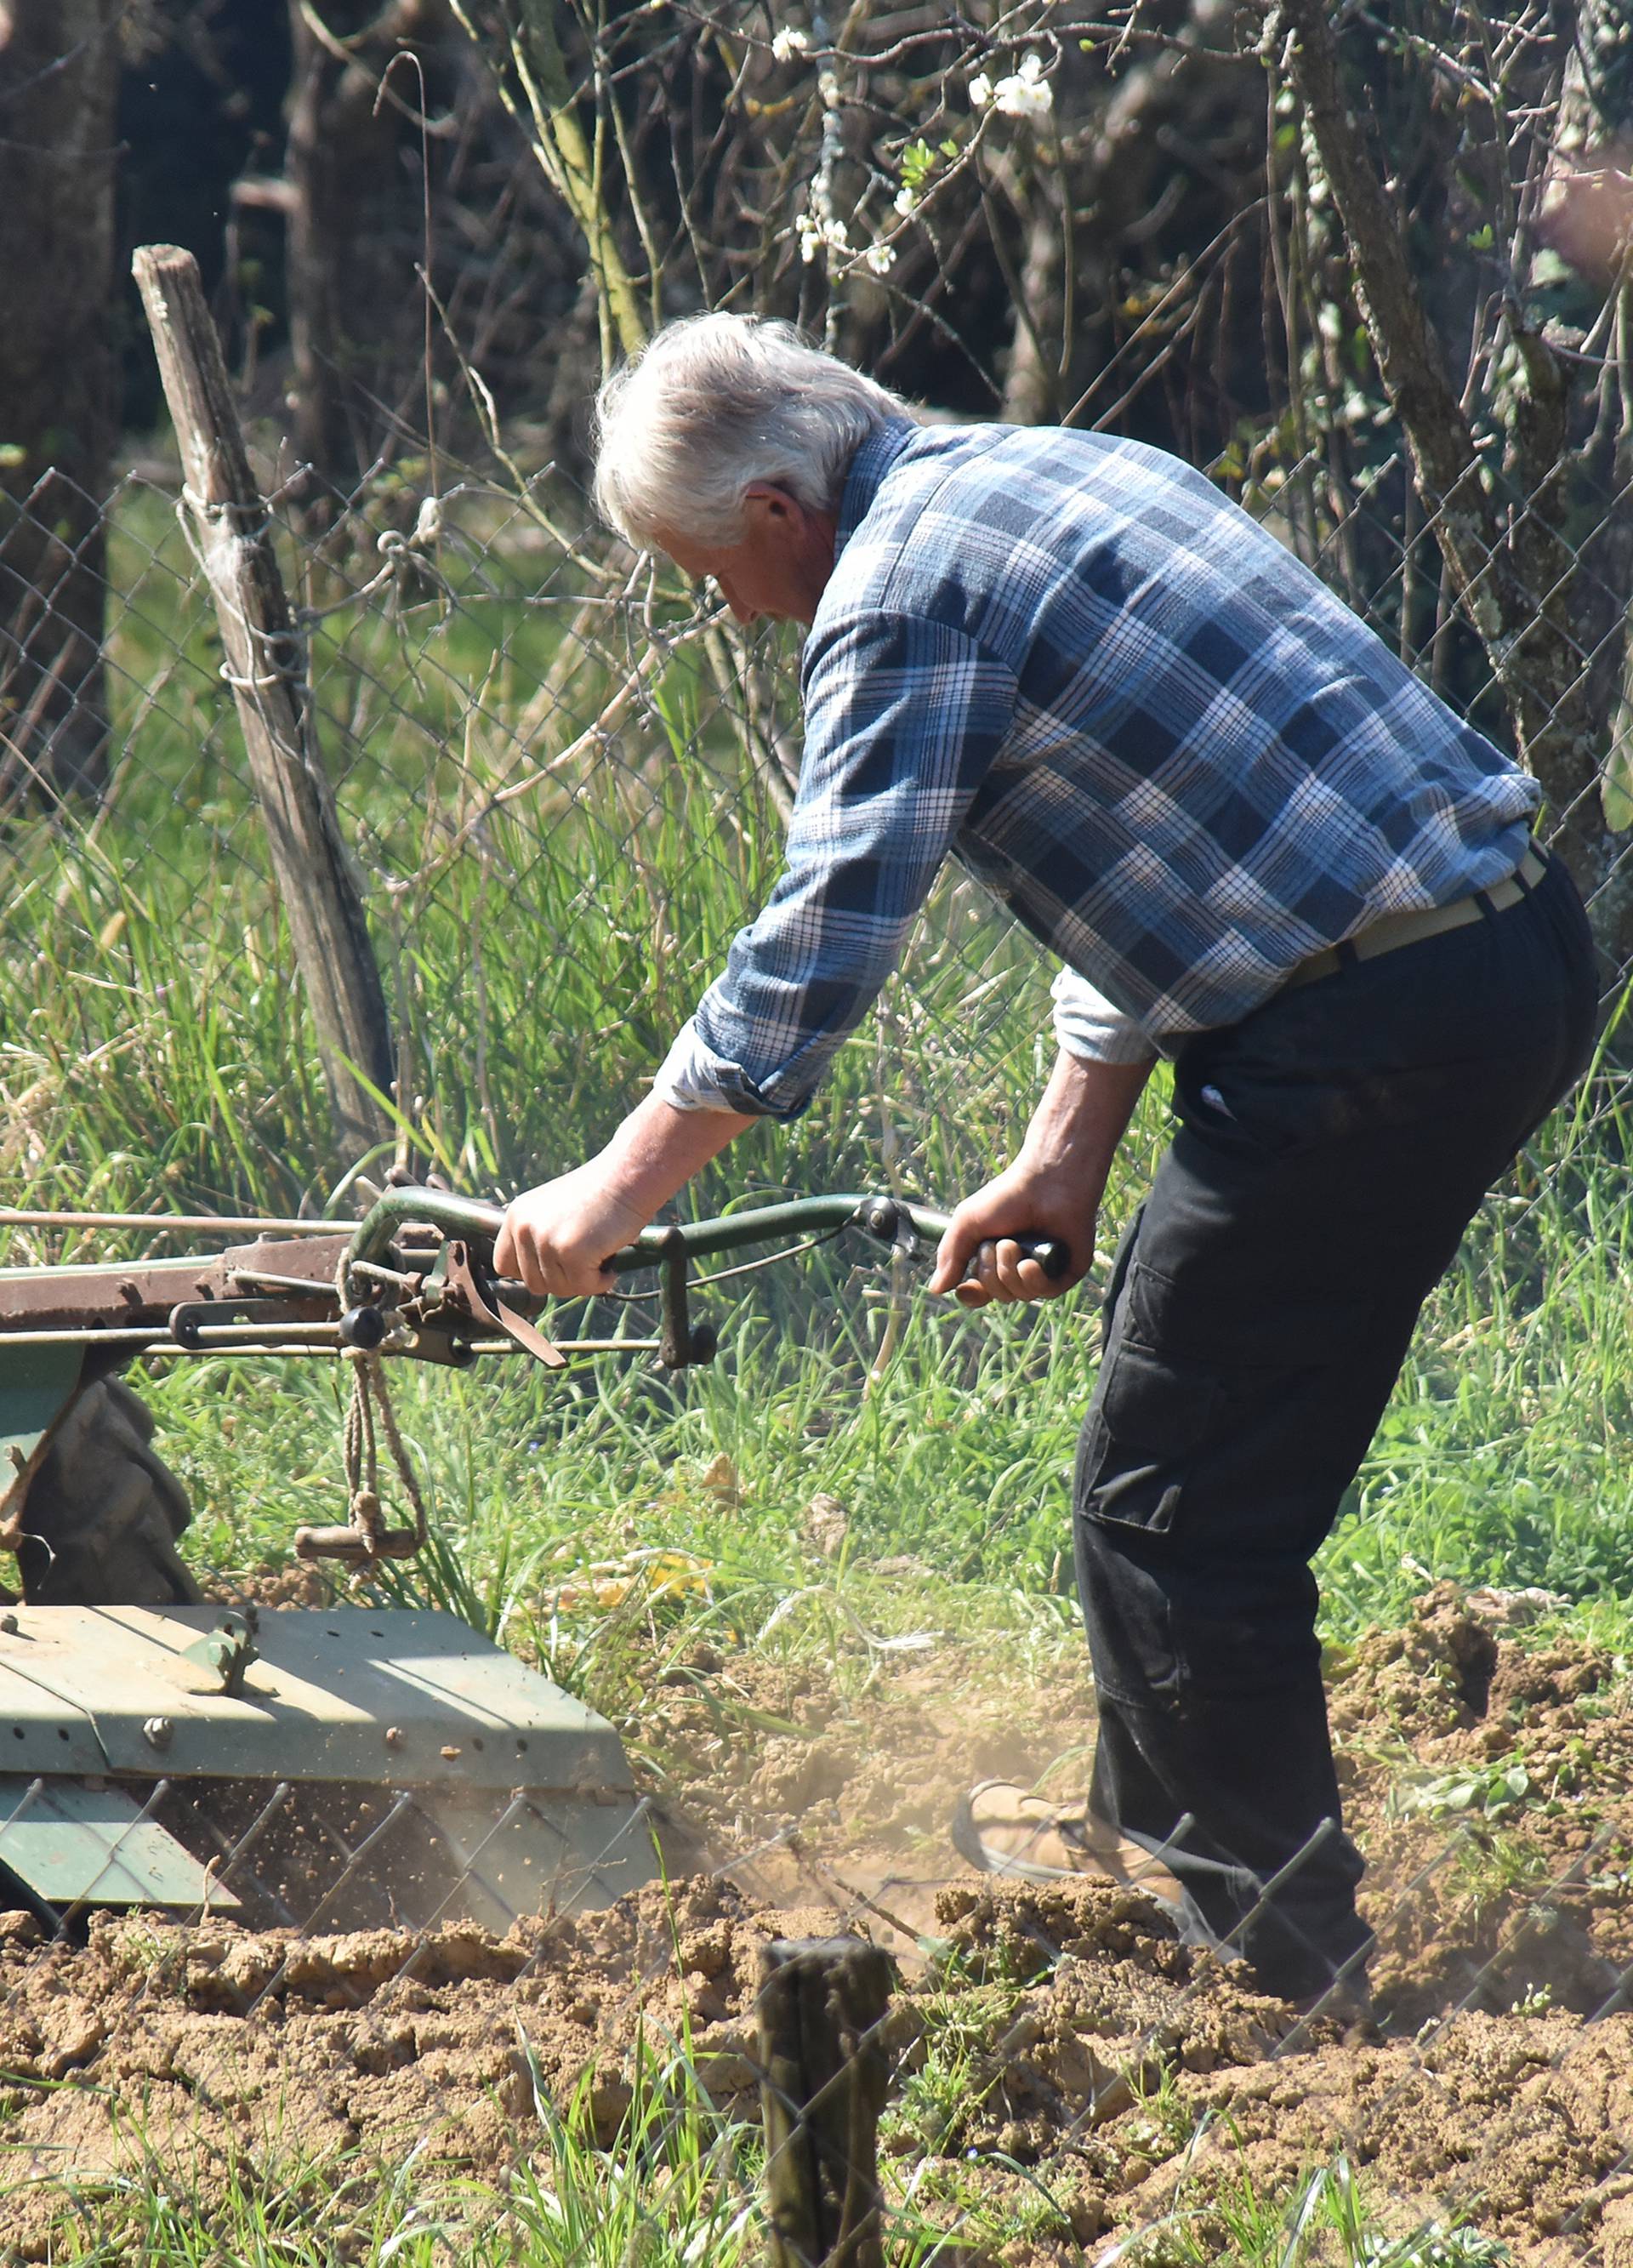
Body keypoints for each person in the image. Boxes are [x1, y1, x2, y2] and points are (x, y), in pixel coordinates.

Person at [494, 312, 1598, 2010]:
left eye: (711, 567)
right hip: (1479, 964)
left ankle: (1276, 1964)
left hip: (1373, 1027)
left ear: (781, 503)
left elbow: (826, 933)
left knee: (1179, 1507)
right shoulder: (1048, 474)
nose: (727, 606)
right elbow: (1168, 835)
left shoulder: (897, 590)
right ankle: (1158, 1864)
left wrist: (613, 1189)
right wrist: (1065, 1148)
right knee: (1166, 1450)